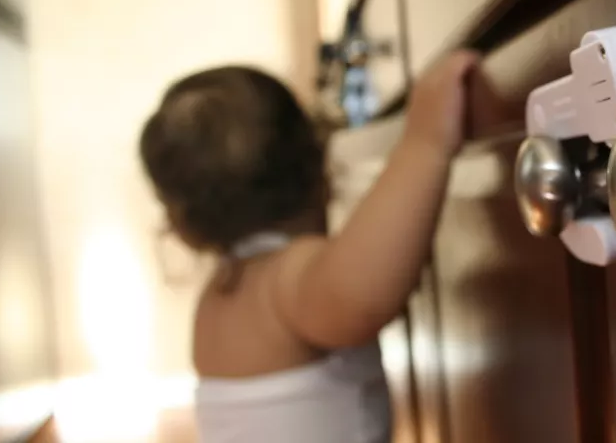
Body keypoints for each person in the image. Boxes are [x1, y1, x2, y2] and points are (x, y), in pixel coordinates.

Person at [139, 51, 481, 443]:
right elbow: (362, 295)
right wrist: (425, 143)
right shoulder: (283, 282)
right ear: (317, 159)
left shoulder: (223, 297)